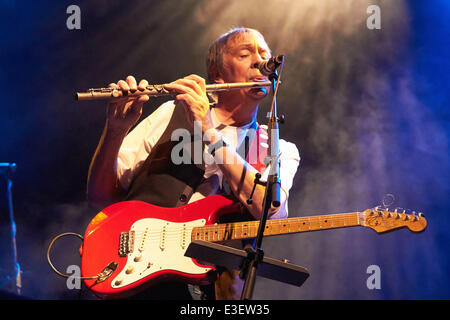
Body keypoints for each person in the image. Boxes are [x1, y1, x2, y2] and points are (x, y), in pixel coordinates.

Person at [86, 27, 300, 300]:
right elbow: (99, 196)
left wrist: (208, 131)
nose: (260, 61)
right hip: (136, 278)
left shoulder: (279, 148)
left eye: (264, 55)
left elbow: (266, 208)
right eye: (245, 54)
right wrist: (115, 130)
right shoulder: (172, 113)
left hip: (211, 292)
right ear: (217, 74)